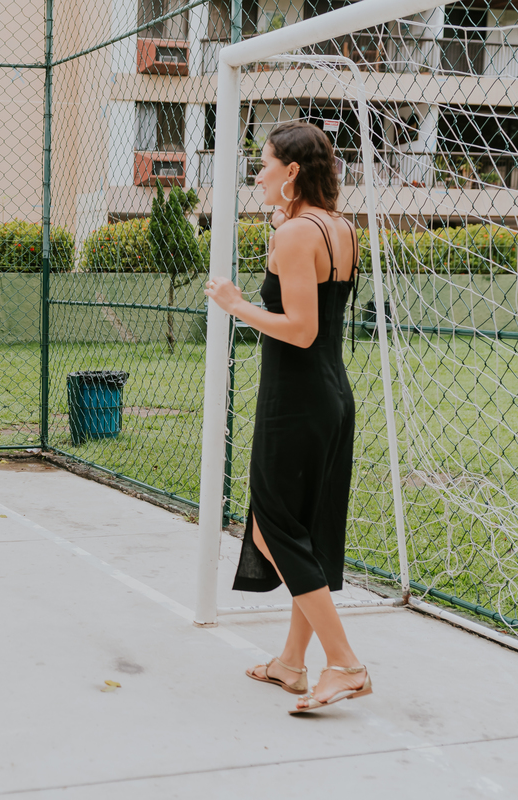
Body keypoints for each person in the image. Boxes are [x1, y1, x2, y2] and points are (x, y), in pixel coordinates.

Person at [203, 120, 369, 715]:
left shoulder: (296, 233)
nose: (259, 174)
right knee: (301, 528)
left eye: (265, 164)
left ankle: (345, 664)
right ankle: (292, 665)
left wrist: (236, 304)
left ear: (291, 172)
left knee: (273, 529)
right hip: (330, 396)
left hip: (294, 403)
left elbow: (300, 330)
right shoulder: (337, 227)